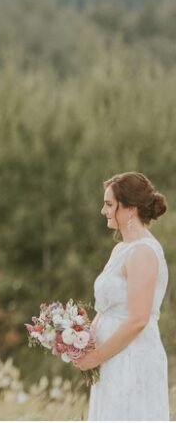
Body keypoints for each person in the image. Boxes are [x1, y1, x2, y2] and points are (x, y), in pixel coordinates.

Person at [76, 171, 169, 420]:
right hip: (112, 357)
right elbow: (109, 308)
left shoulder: (143, 253)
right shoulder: (121, 249)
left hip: (132, 357)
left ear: (130, 209)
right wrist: (80, 337)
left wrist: (96, 356)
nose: (103, 211)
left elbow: (138, 319)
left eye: (109, 204)